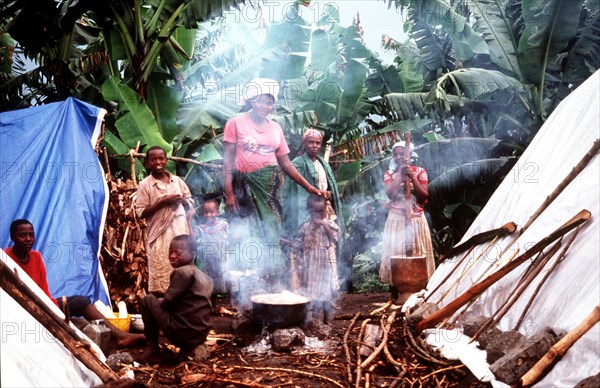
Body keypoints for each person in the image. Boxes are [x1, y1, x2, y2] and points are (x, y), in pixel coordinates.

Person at [222, 78, 328, 286]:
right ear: (252, 100)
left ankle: (271, 279)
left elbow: (286, 164)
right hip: (245, 187)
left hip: (272, 186)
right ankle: (251, 281)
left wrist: (309, 186)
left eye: (270, 102)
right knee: (248, 231)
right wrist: (229, 193)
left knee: (272, 229)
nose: (266, 106)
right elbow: (227, 161)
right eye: (262, 100)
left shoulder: (276, 128)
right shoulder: (235, 123)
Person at [5, 219, 145, 348]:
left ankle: (120, 336)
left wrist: (53, 310)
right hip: (24, 308)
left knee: (81, 301)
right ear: (12, 237)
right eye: (23, 235)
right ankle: (117, 338)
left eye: (31, 235)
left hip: (43, 304)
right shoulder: (6, 259)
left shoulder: (36, 257)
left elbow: (44, 291)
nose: (28, 239)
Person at [281, 128, 344, 290]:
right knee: (308, 249)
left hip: (326, 210)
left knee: (328, 246)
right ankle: (306, 286)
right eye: (311, 142)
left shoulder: (323, 163)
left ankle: (329, 285)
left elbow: (329, 186)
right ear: (304, 143)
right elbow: (291, 192)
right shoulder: (297, 164)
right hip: (309, 211)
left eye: (318, 143)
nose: (315, 146)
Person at [138, 234, 213, 363]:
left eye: (178, 253)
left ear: (193, 254)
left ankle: (154, 350)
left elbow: (167, 303)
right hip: (200, 334)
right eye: (170, 252)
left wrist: (157, 304)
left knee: (148, 300)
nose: (172, 256)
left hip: (183, 333)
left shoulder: (182, 272)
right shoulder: (206, 278)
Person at [379, 141, 435, 303]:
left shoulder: (420, 172)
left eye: (402, 153)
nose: (398, 157)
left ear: (409, 155)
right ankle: (396, 291)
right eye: (395, 154)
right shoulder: (390, 174)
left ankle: (419, 290)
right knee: (396, 251)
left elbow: (423, 196)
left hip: (416, 219)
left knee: (417, 251)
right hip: (396, 219)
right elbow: (390, 194)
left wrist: (411, 177)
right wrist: (399, 176)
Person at [135, 146, 195, 296]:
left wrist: (183, 201)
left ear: (166, 160)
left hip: (179, 231)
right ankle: (163, 304)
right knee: (162, 270)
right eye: (153, 159)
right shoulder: (145, 185)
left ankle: (184, 304)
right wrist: (163, 201)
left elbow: (190, 202)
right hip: (160, 235)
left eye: (161, 158)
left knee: (183, 267)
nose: (158, 162)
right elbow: (141, 212)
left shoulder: (177, 181)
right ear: (147, 163)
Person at [294, 194, 340, 324]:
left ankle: (326, 320)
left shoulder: (330, 225)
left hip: (324, 266)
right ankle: (311, 320)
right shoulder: (305, 227)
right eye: (315, 211)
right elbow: (298, 244)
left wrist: (324, 225)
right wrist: (289, 244)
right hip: (310, 267)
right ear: (309, 211)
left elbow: (334, 239)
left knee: (325, 294)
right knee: (311, 293)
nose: (318, 215)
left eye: (321, 211)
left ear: (326, 210)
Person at [194, 199, 229, 308]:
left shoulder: (223, 224)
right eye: (206, 212)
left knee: (227, 280)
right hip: (208, 260)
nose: (208, 215)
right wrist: (189, 219)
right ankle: (212, 306)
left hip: (223, 259)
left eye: (211, 212)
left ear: (217, 212)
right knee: (210, 283)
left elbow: (232, 236)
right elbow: (193, 237)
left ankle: (232, 304)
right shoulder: (201, 228)